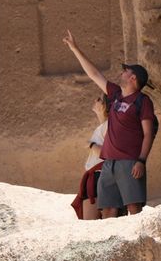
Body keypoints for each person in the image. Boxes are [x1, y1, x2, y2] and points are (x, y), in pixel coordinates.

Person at [63, 29, 155, 219]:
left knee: (133, 208)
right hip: (109, 162)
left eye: (126, 71)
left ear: (133, 78)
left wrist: (141, 161)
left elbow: (148, 133)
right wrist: (75, 49)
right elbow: (94, 74)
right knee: (108, 210)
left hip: (129, 161)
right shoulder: (115, 95)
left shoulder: (142, 101)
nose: (122, 72)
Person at [70, 95, 108, 220]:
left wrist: (91, 145)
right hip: (96, 176)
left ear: (105, 105)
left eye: (100, 100)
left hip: (98, 176)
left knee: (90, 224)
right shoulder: (104, 126)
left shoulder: (109, 125)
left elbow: (106, 153)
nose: (96, 101)